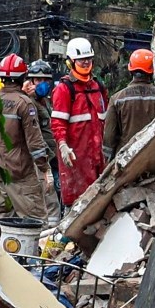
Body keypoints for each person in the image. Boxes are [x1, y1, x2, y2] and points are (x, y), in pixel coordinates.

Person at [0, 53, 52, 220]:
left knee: (3, 226)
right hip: (20, 175)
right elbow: (36, 143)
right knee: (37, 222)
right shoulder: (24, 104)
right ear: (23, 78)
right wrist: (45, 169)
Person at [50, 37, 109, 208]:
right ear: (70, 62)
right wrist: (62, 145)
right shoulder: (64, 89)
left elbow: (106, 120)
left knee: (99, 202)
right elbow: (58, 122)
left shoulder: (98, 87)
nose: (85, 63)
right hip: (76, 158)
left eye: (88, 59)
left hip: (98, 158)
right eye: (81, 60)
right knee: (77, 205)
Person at [104, 48, 155, 161]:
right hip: (154, 157)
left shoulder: (116, 99)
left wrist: (108, 160)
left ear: (131, 69)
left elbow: (109, 136)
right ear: (152, 70)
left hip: (125, 158)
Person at [24, 60, 62, 225]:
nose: (41, 84)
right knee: (49, 198)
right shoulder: (28, 104)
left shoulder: (46, 102)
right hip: (40, 161)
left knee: (57, 195)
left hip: (54, 158)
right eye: (37, 80)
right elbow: (34, 135)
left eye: (45, 80)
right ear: (30, 81)